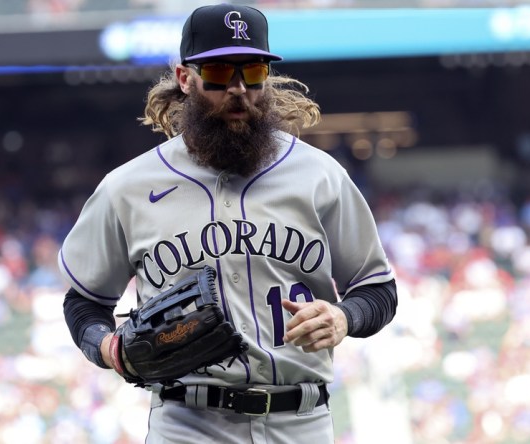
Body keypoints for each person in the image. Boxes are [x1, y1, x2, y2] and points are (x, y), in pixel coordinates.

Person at [59, 3, 398, 443]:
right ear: (185, 78)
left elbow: (378, 290)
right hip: (188, 424)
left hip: (301, 422)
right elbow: (83, 302)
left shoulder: (320, 176)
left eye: (253, 72)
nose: (238, 89)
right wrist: (108, 349)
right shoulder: (127, 187)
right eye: (219, 73)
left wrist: (343, 317)